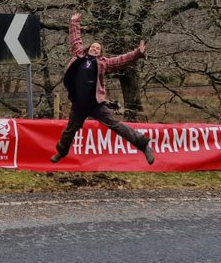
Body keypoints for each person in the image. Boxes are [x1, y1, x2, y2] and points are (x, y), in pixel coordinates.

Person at [51, 11, 155, 164]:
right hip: (79, 104)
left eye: (98, 48)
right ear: (88, 48)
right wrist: (74, 22)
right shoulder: (79, 55)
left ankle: (144, 144)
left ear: (100, 53)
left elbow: (121, 60)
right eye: (93, 47)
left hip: (96, 104)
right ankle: (61, 151)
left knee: (116, 125)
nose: (95, 49)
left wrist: (137, 53)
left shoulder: (103, 63)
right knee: (70, 130)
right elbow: (75, 39)